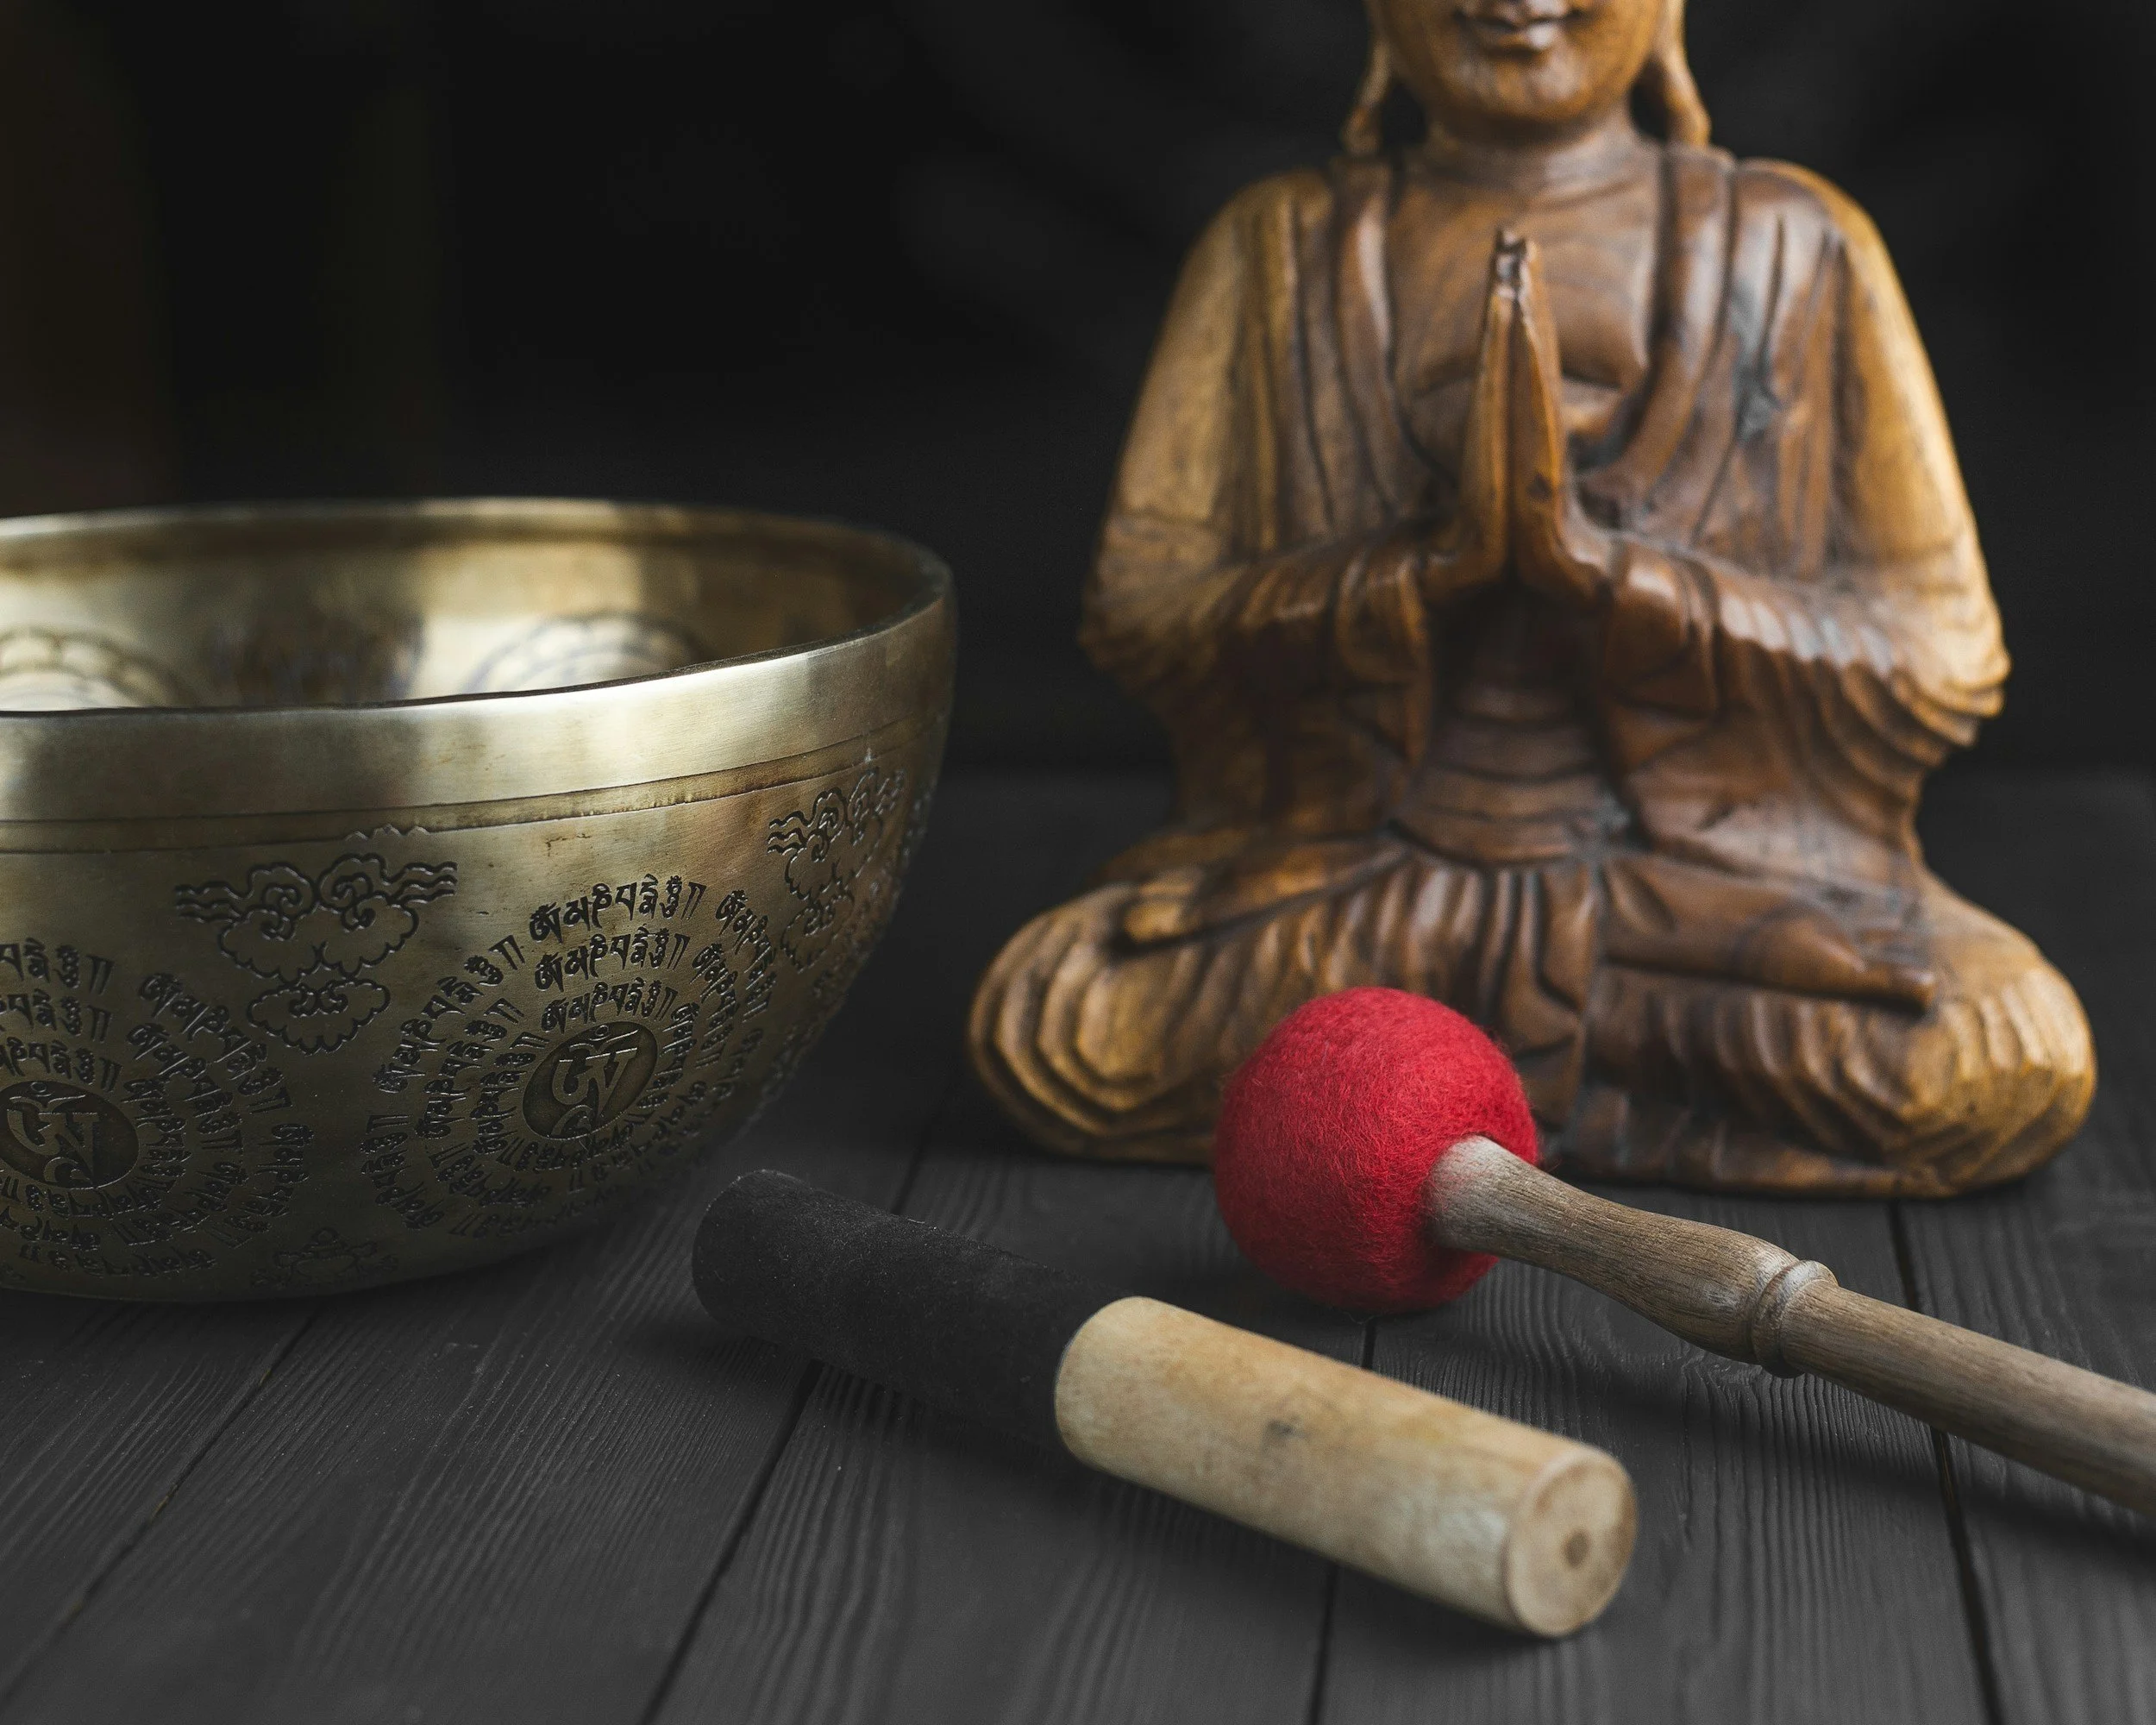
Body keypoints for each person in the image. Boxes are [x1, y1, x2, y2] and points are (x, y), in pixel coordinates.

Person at [968, 0, 2092, 1195]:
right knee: (1057, 1023)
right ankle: (1511, 1098)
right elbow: (1143, 614)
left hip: (1702, 905)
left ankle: (1396, 1097)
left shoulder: (1797, 245)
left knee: (1997, 1052)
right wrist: (1421, 572)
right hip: (1369, 884)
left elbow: (1946, 653)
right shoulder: (1279, 248)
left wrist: (1617, 581)